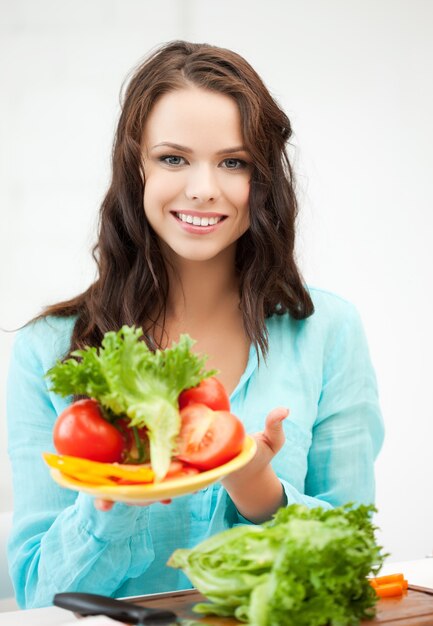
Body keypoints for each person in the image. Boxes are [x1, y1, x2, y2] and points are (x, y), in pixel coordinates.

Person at [6, 40, 384, 609]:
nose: (204, 187)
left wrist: (260, 491)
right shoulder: (45, 350)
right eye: (173, 158)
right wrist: (119, 496)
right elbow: (39, 598)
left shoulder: (329, 330)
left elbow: (355, 563)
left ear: (262, 180)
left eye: (233, 162)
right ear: (135, 167)